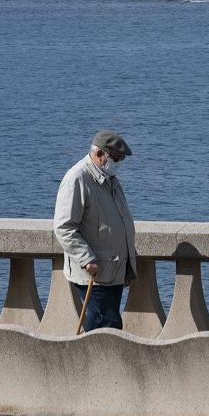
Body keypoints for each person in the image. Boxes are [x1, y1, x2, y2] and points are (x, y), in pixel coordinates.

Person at [53, 130, 138, 331]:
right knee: (107, 328)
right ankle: (94, 363)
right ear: (100, 154)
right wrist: (86, 259)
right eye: (116, 158)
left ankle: (90, 362)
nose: (119, 164)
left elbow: (118, 223)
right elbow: (64, 227)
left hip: (113, 271)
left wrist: (128, 265)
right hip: (95, 274)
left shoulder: (110, 179)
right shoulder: (78, 178)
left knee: (105, 327)